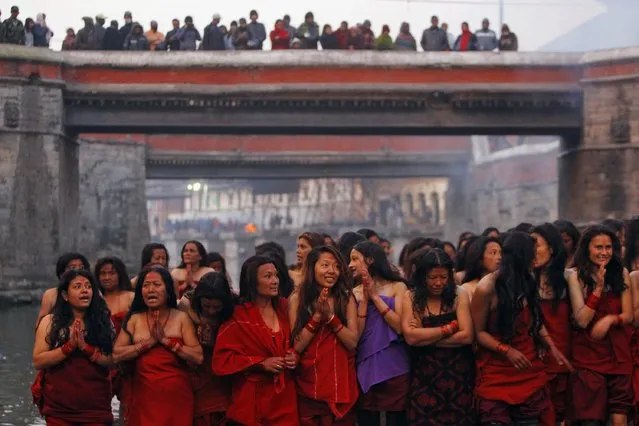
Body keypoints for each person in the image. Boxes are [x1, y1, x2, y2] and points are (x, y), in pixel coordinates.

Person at [472, 232, 570, 425]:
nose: (536, 259)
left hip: (526, 367)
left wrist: (553, 348)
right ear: (521, 256)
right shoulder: (487, 287)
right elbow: (478, 333)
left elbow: (535, 320)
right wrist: (506, 350)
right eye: (532, 254)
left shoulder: (528, 281)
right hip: (496, 371)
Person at [213, 256, 299, 425]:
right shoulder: (238, 316)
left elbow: (299, 342)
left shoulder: (285, 307)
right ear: (252, 281)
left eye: (276, 275)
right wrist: (261, 363)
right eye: (267, 276)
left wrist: (294, 356)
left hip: (284, 399)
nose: (275, 281)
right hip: (251, 401)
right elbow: (222, 360)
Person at [113, 266, 203, 426]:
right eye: (146, 285)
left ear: (168, 290)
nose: (150, 290)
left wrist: (167, 342)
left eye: (156, 284)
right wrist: (147, 344)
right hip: (143, 397)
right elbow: (116, 354)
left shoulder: (182, 318)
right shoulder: (134, 319)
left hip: (177, 398)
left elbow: (198, 356)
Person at [567, 225, 632, 425]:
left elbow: (628, 315)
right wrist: (598, 290)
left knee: (620, 417)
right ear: (587, 248)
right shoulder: (575, 276)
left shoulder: (621, 272)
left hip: (618, 353)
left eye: (608, 247)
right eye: (598, 247)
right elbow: (582, 320)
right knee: (590, 419)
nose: (604, 253)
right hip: (588, 357)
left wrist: (611, 319)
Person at [32, 269, 115, 426]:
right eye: (77, 286)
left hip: (96, 407)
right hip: (60, 409)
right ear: (64, 295)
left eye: (88, 286)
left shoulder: (103, 321)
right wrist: (68, 348)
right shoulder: (50, 322)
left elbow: (113, 361)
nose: (84, 290)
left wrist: (86, 348)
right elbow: (38, 361)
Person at [401, 249, 474, 425]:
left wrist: (426, 338)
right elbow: (411, 338)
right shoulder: (411, 297)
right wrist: (449, 329)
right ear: (422, 277)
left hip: (459, 377)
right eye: (432, 278)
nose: (438, 283)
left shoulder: (459, 294)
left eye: (443, 277)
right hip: (424, 377)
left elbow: (466, 336)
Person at [290, 246, 359, 425]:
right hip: (309, 381)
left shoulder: (346, 298)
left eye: (336, 267)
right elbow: (296, 346)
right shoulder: (298, 298)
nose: (332, 271)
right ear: (312, 268)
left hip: (341, 382)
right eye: (325, 265)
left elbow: (352, 342)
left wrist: (330, 318)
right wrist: (317, 317)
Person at [349, 241, 409, 425]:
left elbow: (400, 327)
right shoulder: (353, 293)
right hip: (364, 364)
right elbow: (355, 336)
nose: (350, 265)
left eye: (354, 259)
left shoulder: (398, 287)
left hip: (395, 364)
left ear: (371, 260)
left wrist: (375, 297)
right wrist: (365, 301)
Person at [181, 272, 234, 426]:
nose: (211, 311)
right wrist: (200, 322)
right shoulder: (188, 307)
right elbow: (183, 303)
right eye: (206, 306)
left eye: (217, 307)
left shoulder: (235, 308)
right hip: (197, 374)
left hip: (223, 375)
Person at [531, 224, 571, 424]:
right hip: (534, 363)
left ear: (552, 248)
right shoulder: (524, 282)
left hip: (564, 361)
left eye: (536, 245)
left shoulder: (568, 279)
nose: (532, 251)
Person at [37, 253, 91, 324]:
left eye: (81, 268)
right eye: (72, 268)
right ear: (61, 273)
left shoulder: (93, 292)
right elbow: (40, 324)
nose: (78, 272)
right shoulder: (51, 295)